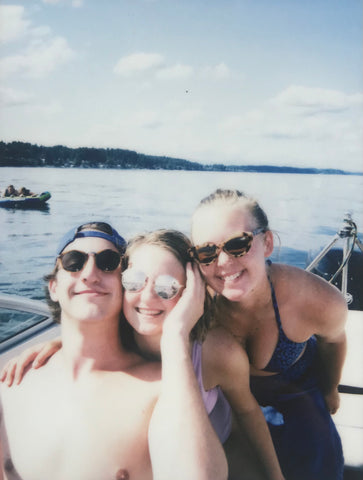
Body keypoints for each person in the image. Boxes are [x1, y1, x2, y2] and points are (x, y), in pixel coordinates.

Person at [2, 229, 284, 480]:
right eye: (134, 280)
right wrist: (59, 345)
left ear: (192, 295)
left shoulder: (212, 354)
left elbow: (247, 412)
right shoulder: (19, 380)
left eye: (167, 288)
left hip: (224, 440)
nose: (148, 297)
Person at [188, 188, 347, 480]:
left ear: (268, 242)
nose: (222, 262)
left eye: (237, 244)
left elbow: (334, 340)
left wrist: (330, 389)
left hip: (294, 395)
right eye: (206, 251)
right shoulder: (192, 303)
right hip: (228, 409)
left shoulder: (315, 299)